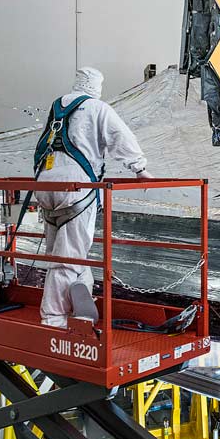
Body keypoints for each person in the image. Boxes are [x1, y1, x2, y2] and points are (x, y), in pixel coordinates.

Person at [33, 67, 153, 329]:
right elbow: (120, 137)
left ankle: (82, 290)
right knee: (69, 257)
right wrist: (140, 169)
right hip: (75, 188)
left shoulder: (58, 107)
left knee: (59, 252)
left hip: (45, 184)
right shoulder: (97, 107)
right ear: (96, 86)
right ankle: (53, 319)